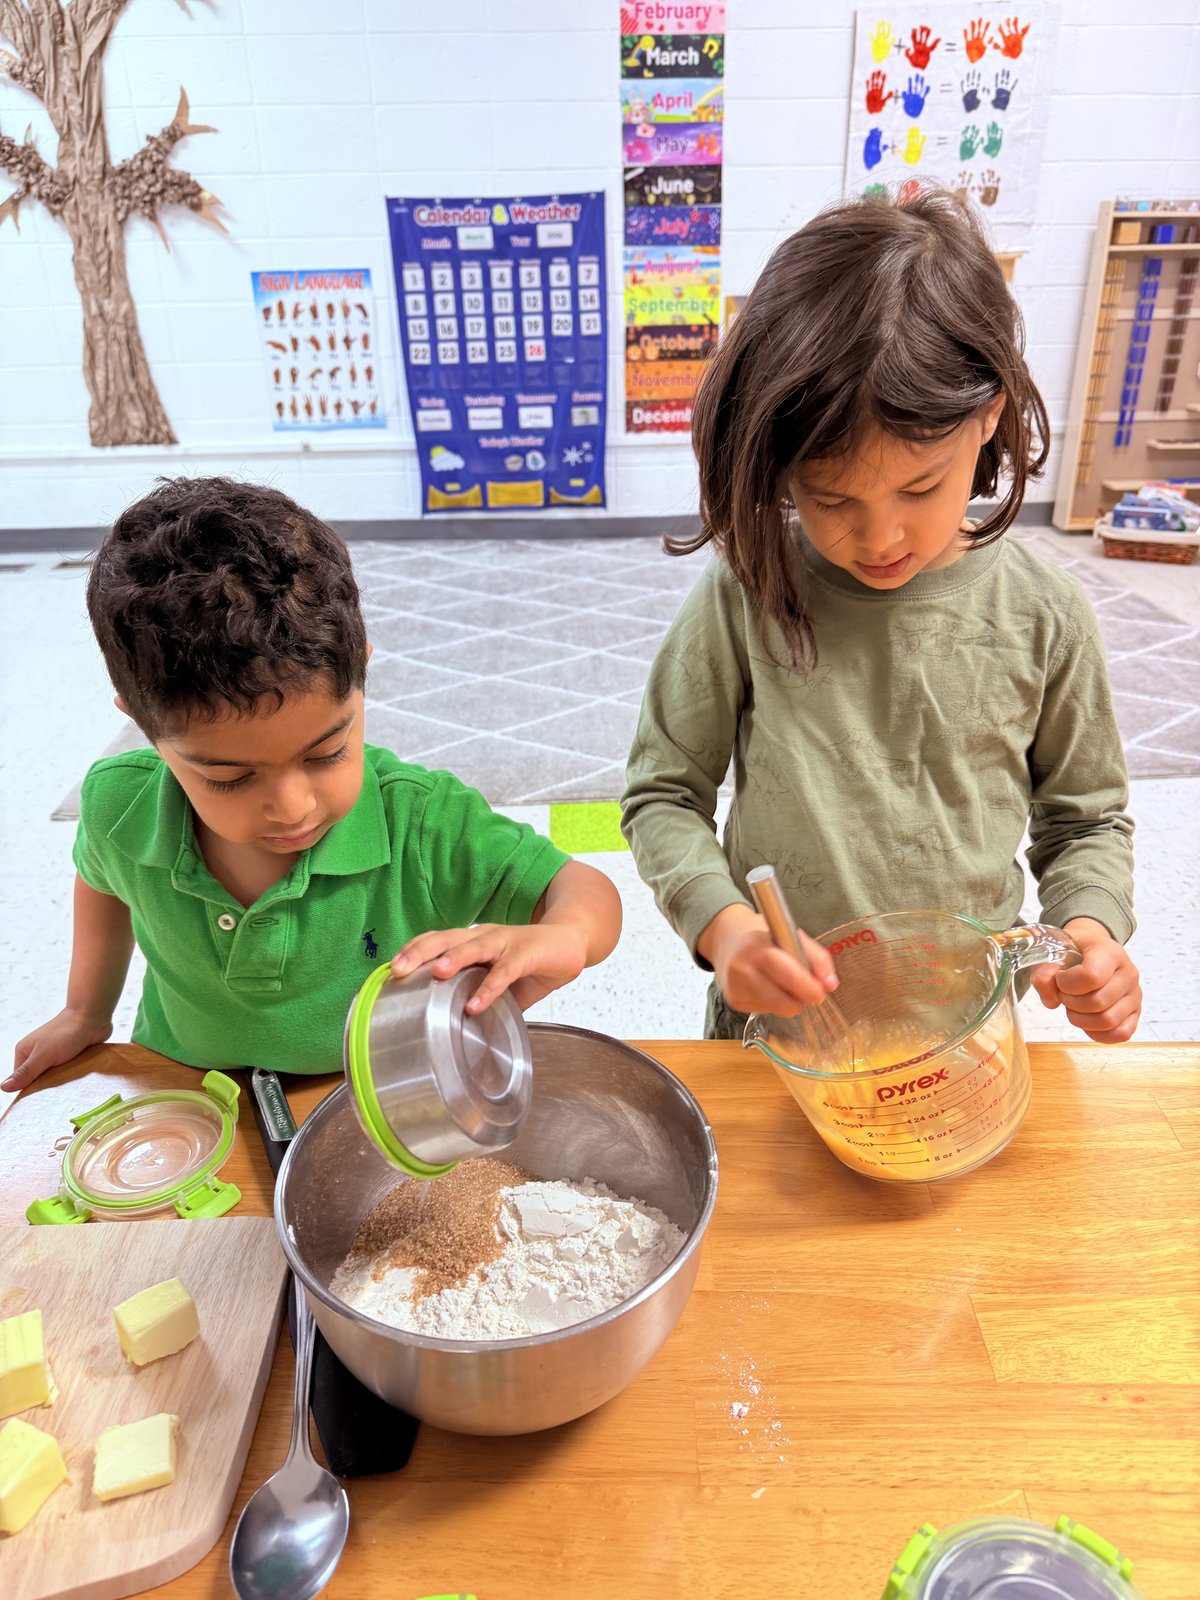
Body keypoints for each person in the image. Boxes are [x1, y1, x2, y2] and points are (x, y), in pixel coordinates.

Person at [621, 189, 1141, 1045]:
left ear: (989, 415)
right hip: (783, 1038)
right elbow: (663, 793)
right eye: (828, 497)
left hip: (965, 1035)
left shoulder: (1046, 616)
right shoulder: (748, 590)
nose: (879, 535)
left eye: (919, 486)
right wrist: (725, 926)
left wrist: (1088, 931)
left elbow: (1085, 818)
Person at [6, 478, 621, 1090]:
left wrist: (566, 934)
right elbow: (103, 878)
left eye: (327, 753)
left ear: (362, 674)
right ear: (144, 728)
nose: (292, 807)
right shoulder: (119, 802)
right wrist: (86, 1011)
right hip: (182, 1080)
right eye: (229, 777)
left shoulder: (421, 821)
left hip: (370, 1096)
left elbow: (582, 887)